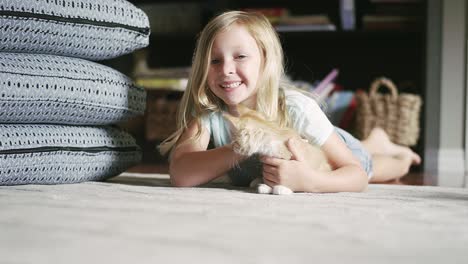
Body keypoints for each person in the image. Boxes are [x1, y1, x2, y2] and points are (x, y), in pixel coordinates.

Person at [159, 10, 421, 192]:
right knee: (363, 149)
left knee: (374, 167)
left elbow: (357, 176)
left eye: (240, 57)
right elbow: (181, 174)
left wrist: (312, 181)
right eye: (214, 61)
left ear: (265, 61)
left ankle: (400, 155)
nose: (225, 69)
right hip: (324, 142)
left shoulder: (295, 107)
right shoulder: (209, 115)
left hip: (333, 155)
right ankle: (376, 140)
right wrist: (241, 146)